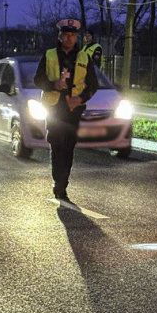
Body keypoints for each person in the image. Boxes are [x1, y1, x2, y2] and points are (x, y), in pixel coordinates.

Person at [34, 19, 100, 201]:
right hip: (54, 107)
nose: (69, 38)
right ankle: (58, 183)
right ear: (60, 36)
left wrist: (80, 98)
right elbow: (37, 80)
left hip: (73, 109)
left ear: (76, 37)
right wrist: (53, 84)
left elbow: (93, 85)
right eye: (66, 35)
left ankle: (63, 183)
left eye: (73, 35)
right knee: (56, 144)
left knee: (68, 147)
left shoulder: (84, 57)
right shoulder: (49, 55)